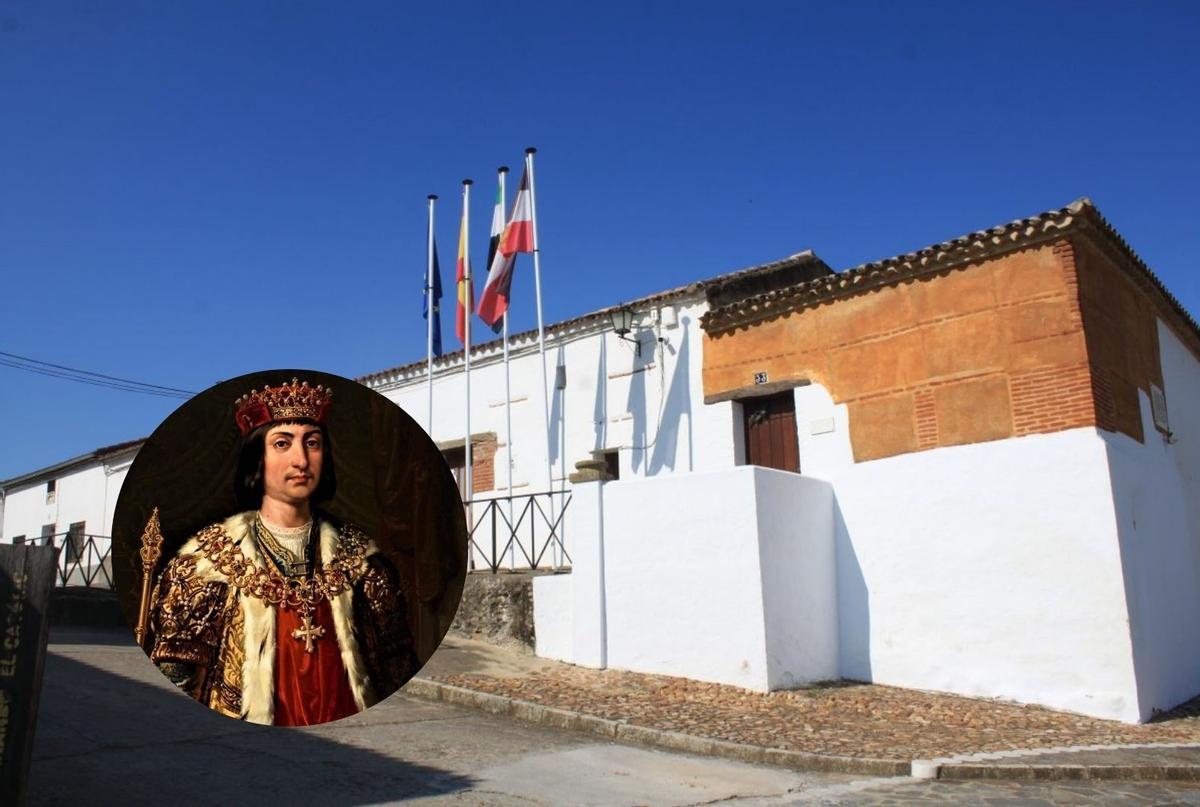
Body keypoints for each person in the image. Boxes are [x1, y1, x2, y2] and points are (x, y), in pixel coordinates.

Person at [147, 378, 417, 726]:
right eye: (282, 443)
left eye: (312, 443)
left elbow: (397, 671)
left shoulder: (364, 563)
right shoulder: (203, 564)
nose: (301, 460)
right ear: (257, 457)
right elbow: (176, 682)